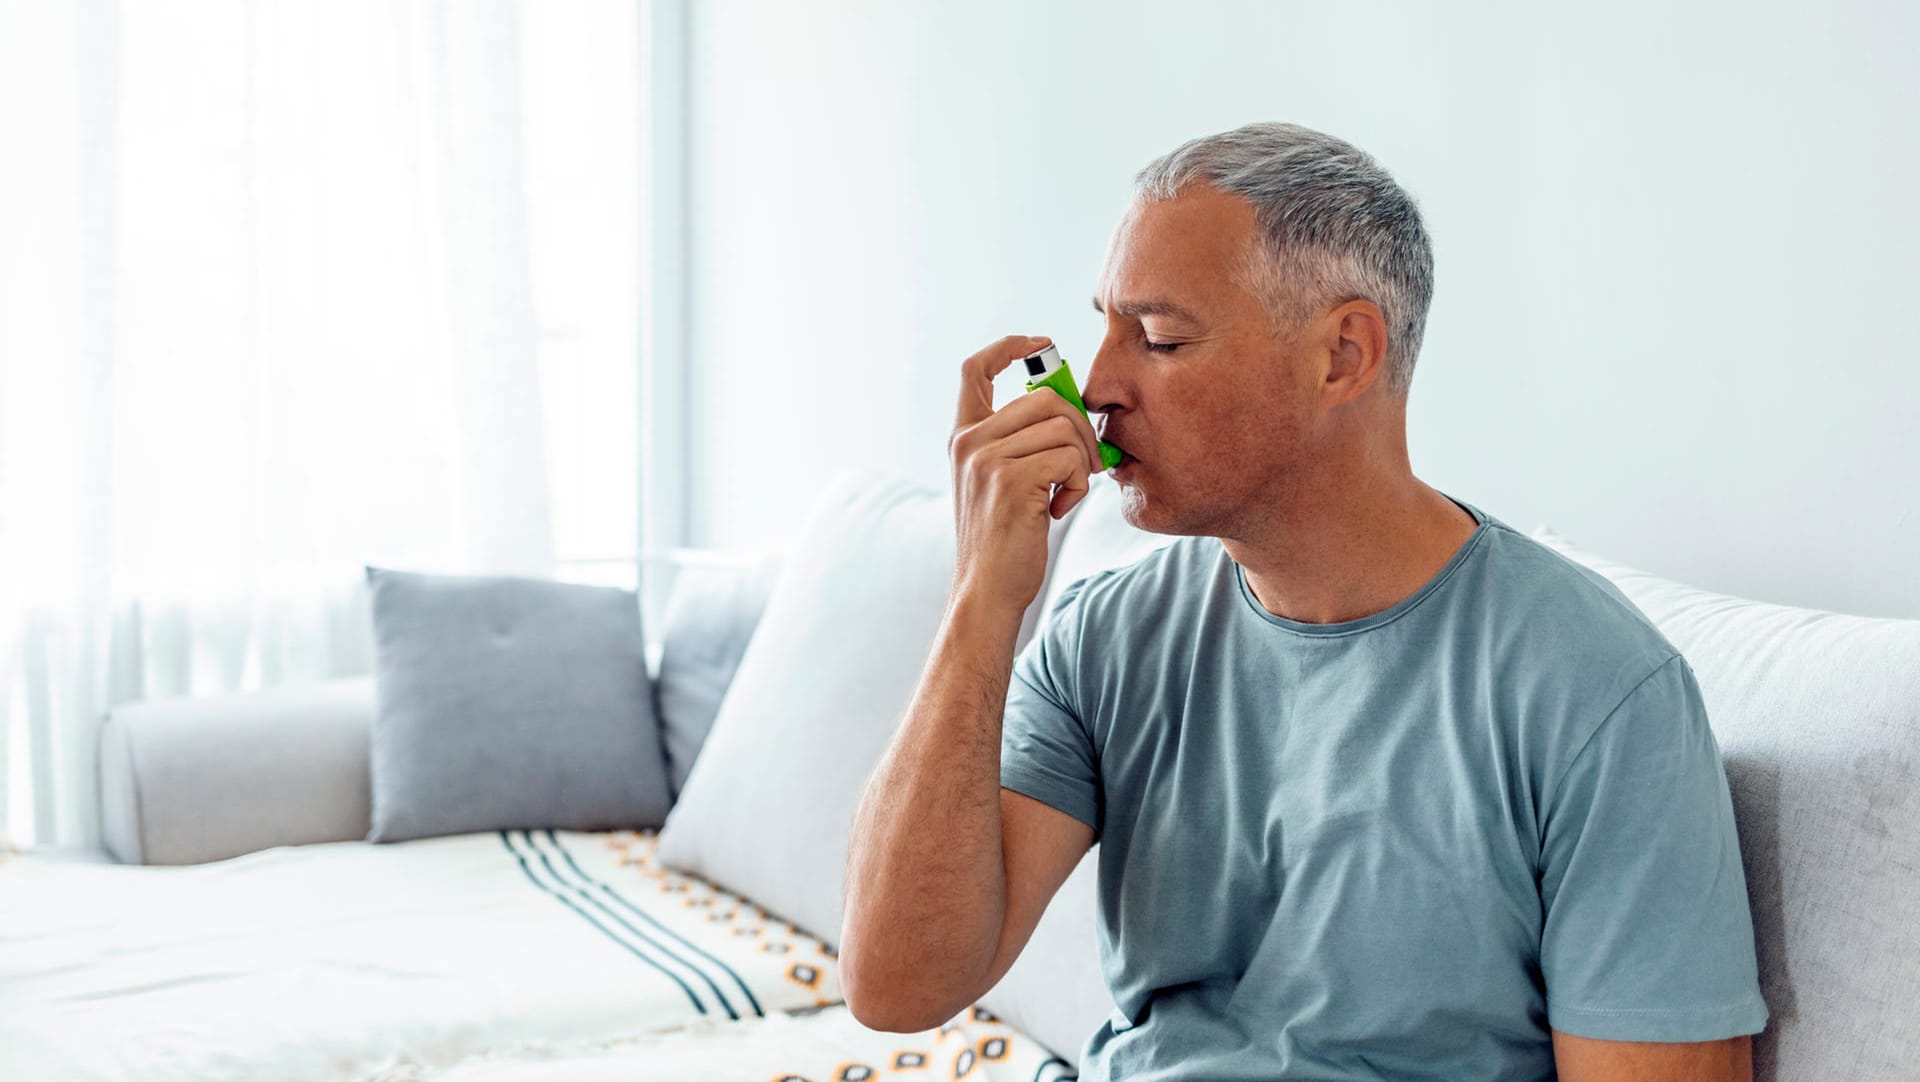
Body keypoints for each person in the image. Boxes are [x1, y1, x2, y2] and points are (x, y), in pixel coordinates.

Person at [840, 121, 1767, 1081]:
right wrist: (980, 600)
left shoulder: (1596, 691)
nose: (1100, 388)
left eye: (1158, 337)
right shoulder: (1105, 638)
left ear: (1342, 355)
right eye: (1105, 326)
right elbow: (896, 986)